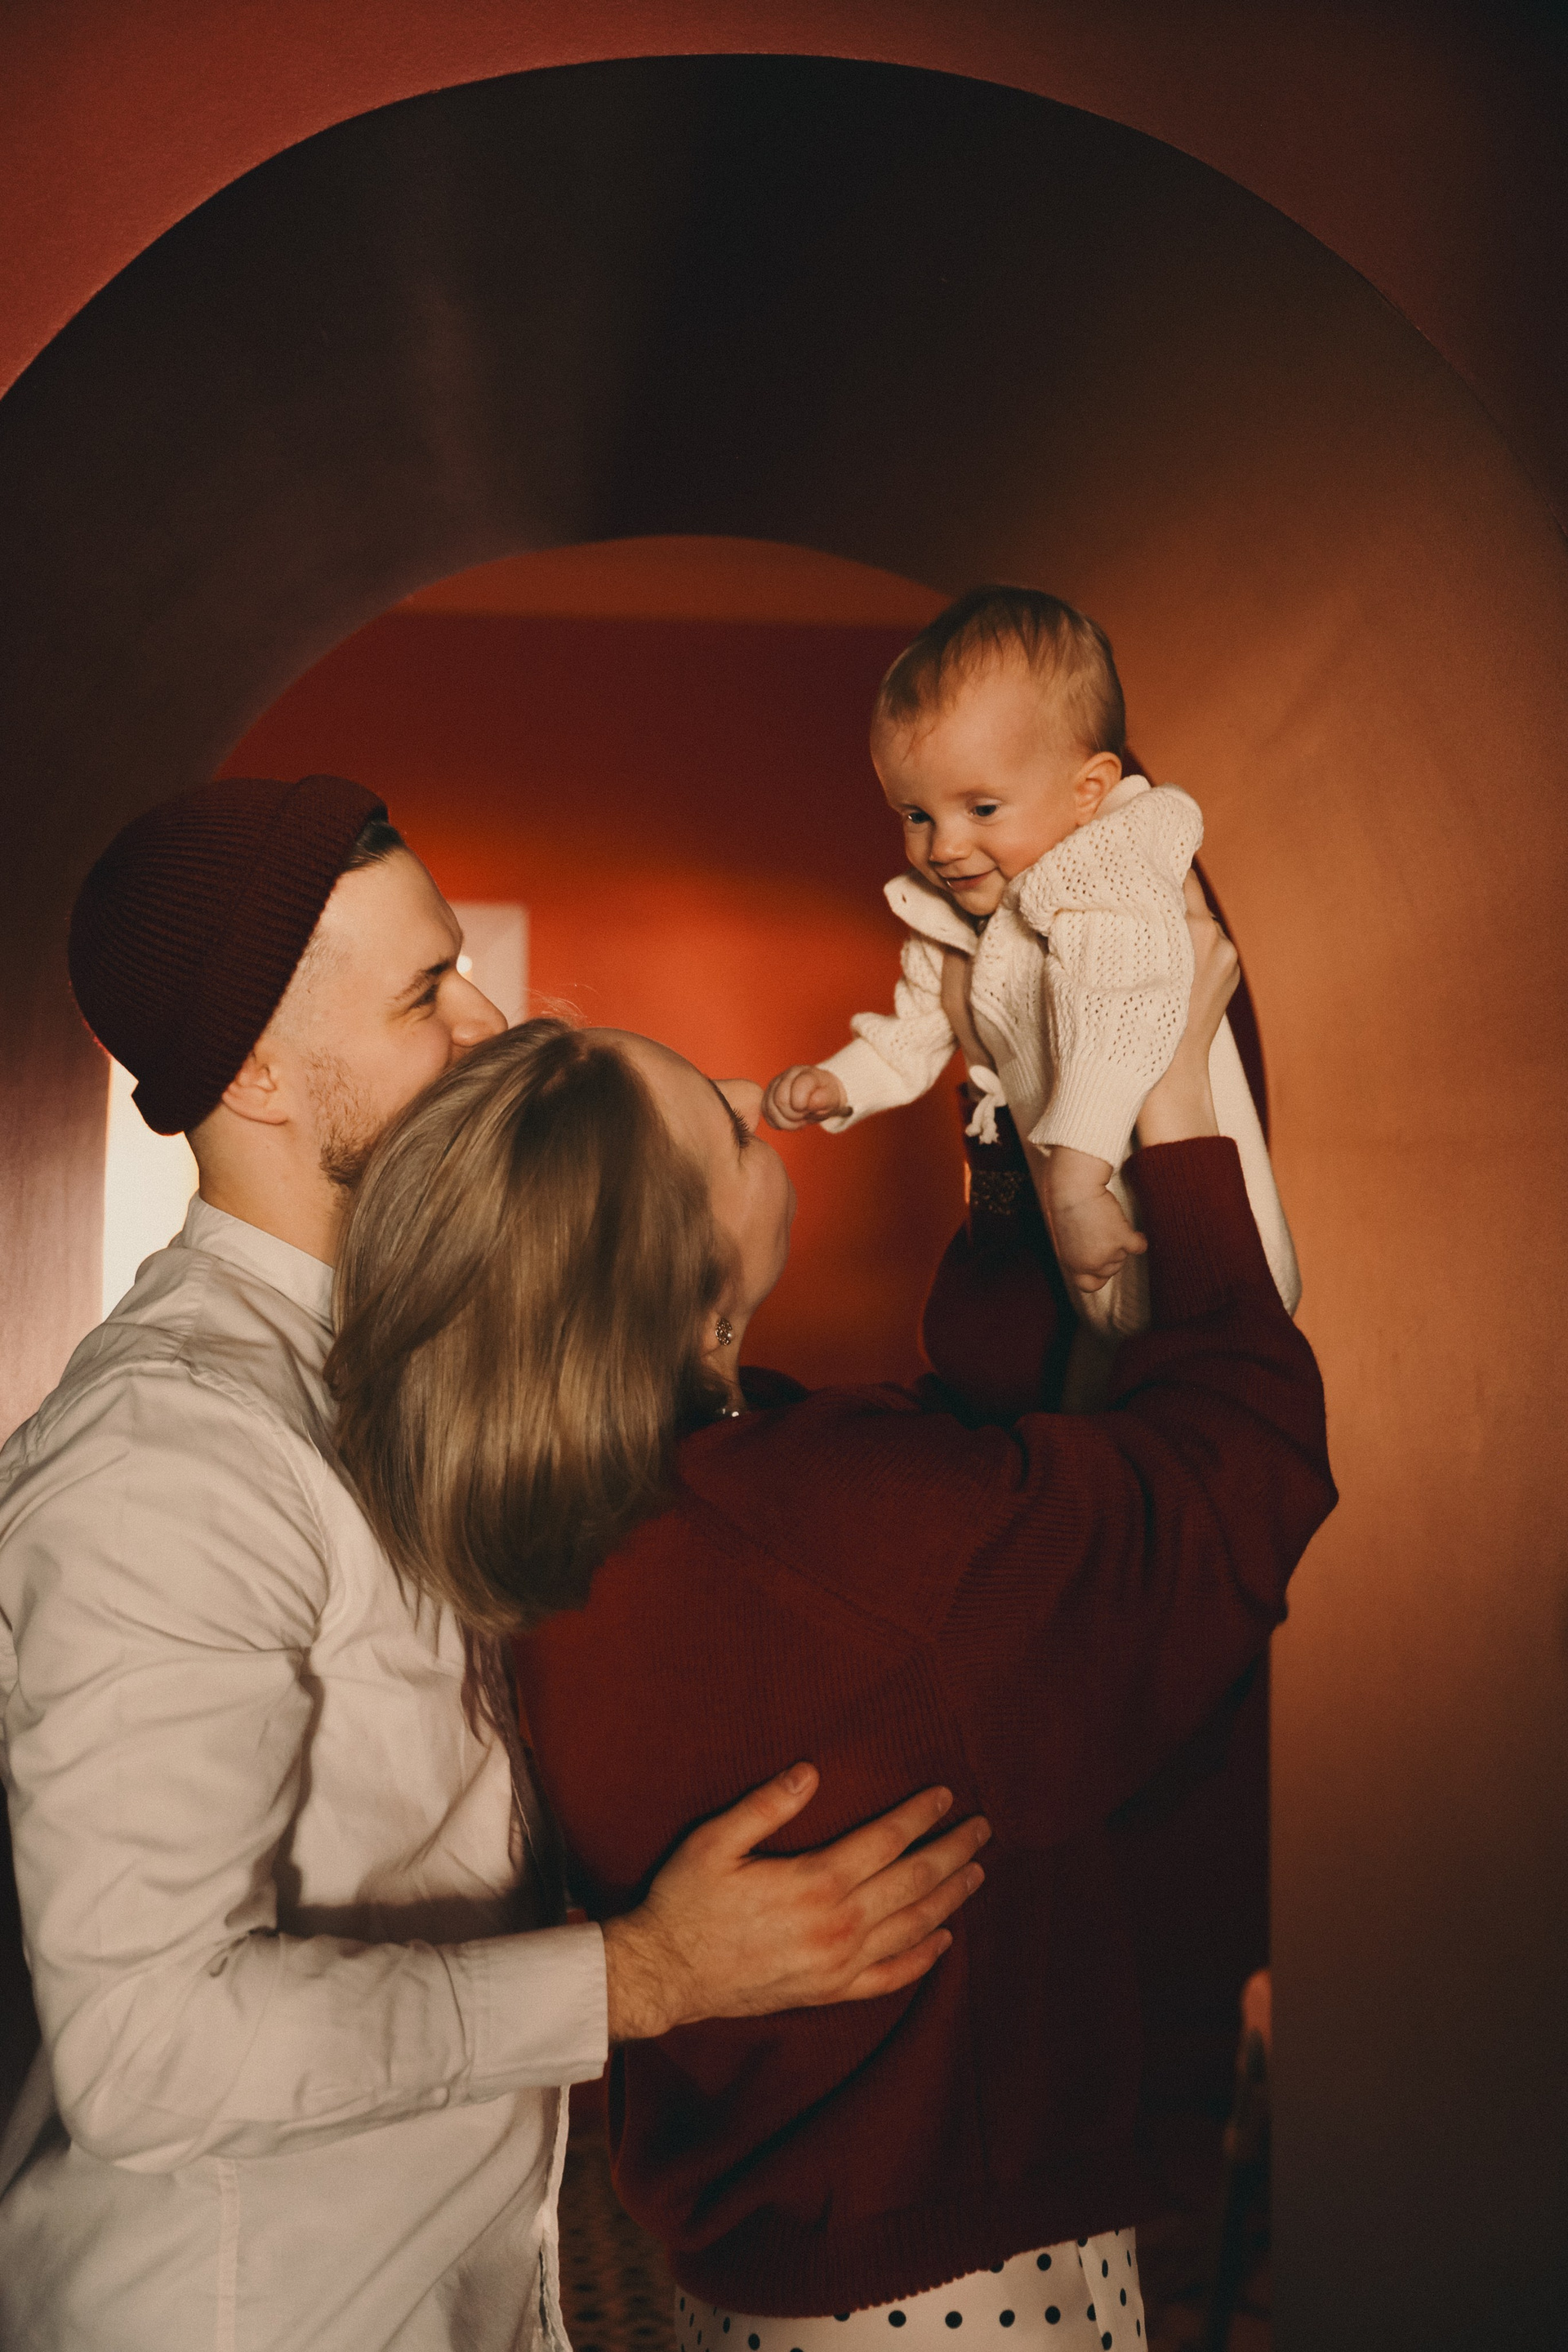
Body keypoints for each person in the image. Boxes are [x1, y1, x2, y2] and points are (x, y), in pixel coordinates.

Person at [0, 775, 989, 2352]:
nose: (490, 1019)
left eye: (460, 968)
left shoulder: (438, 1358)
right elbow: (148, 2050)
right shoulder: (165, 1460)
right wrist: (643, 1978)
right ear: (257, 1074)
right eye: (424, 994)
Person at [327, 882, 1336, 2340]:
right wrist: (1176, 1098)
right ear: (695, 1289)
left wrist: (1014, 1119)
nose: (759, 1104)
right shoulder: (829, 1520)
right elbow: (1239, 1473)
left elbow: (982, 1455)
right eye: (726, 1128)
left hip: (752, 2269)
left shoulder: (599, 1522)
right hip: (956, 2286)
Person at [762, 586, 1299, 1339]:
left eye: (981, 809)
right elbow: (917, 1028)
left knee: (1173, 1350)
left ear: (1088, 792)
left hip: (1192, 1226)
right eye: (916, 814)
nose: (943, 846)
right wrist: (841, 1082)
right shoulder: (958, 910)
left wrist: (1077, 1182)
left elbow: (1120, 1012)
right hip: (1085, 1247)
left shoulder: (1109, 864)